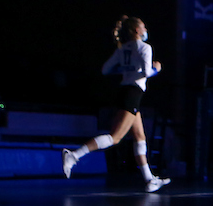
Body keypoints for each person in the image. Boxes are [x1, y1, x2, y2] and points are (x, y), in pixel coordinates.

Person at [62, 15, 171, 192]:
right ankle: (74, 155)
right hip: (133, 93)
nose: (145, 30)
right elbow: (146, 72)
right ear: (137, 30)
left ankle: (149, 179)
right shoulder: (145, 47)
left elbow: (106, 70)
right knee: (115, 137)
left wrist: (127, 69)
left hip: (125, 91)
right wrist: (156, 69)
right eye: (143, 27)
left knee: (140, 137)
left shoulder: (122, 49)